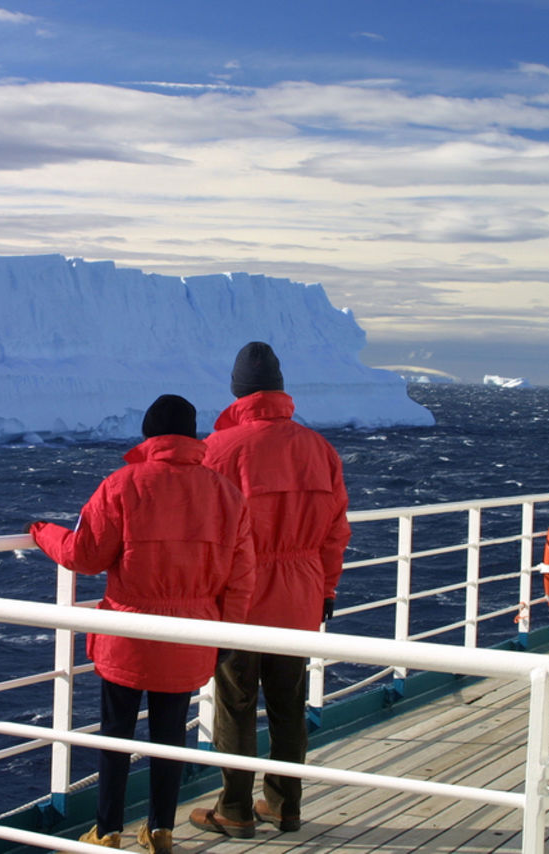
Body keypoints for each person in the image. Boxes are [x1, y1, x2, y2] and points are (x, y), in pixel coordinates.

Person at [30, 394, 256, 853]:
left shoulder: (123, 484)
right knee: (170, 737)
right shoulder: (225, 493)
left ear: (149, 435)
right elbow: (241, 575)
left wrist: (42, 532)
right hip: (190, 633)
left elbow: (85, 555)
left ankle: (107, 829)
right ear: (192, 436)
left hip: (129, 635)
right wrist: (224, 635)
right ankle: (160, 832)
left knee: (116, 734)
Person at [189, 341, 350, 839]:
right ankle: (285, 805)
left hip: (240, 597)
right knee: (288, 703)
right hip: (300, 595)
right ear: (281, 390)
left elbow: (203, 533)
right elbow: (335, 532)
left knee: (236, 703)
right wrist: (325, 590)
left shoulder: (218, 451)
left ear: (237, 393)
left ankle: (235, 809)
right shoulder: (319, 450)